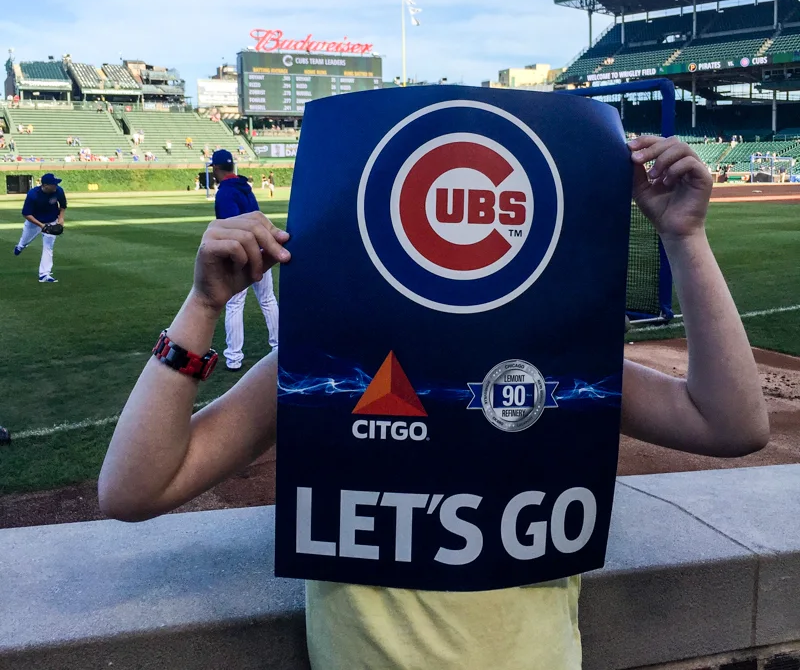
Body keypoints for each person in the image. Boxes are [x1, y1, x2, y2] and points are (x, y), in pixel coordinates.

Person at [98, 137, 768, 670]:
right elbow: (134, 489)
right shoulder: (320, 369)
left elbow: (732, 423)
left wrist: (685, 239)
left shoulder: (553, 363)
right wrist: (203, 304)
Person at [208, 148, 278, 370]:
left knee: (235, 304)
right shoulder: (246, 188)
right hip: (260, 249)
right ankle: (279, 348)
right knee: (268, 300)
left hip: (241, 254)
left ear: (217, 169)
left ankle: (234, 358)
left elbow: (231, 227)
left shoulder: (225, 193)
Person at [13, 172, 67, 283]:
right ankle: (20, 246)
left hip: (51, 220)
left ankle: (44, 274)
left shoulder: (59, 191)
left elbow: (62, 206)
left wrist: (61, 219)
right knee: (25, 241)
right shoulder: (33, 194)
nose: (56, 186)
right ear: (45, 185)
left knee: (48, 247)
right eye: (53, 184)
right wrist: (42, 226)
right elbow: (26, 214)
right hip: (34, 222)